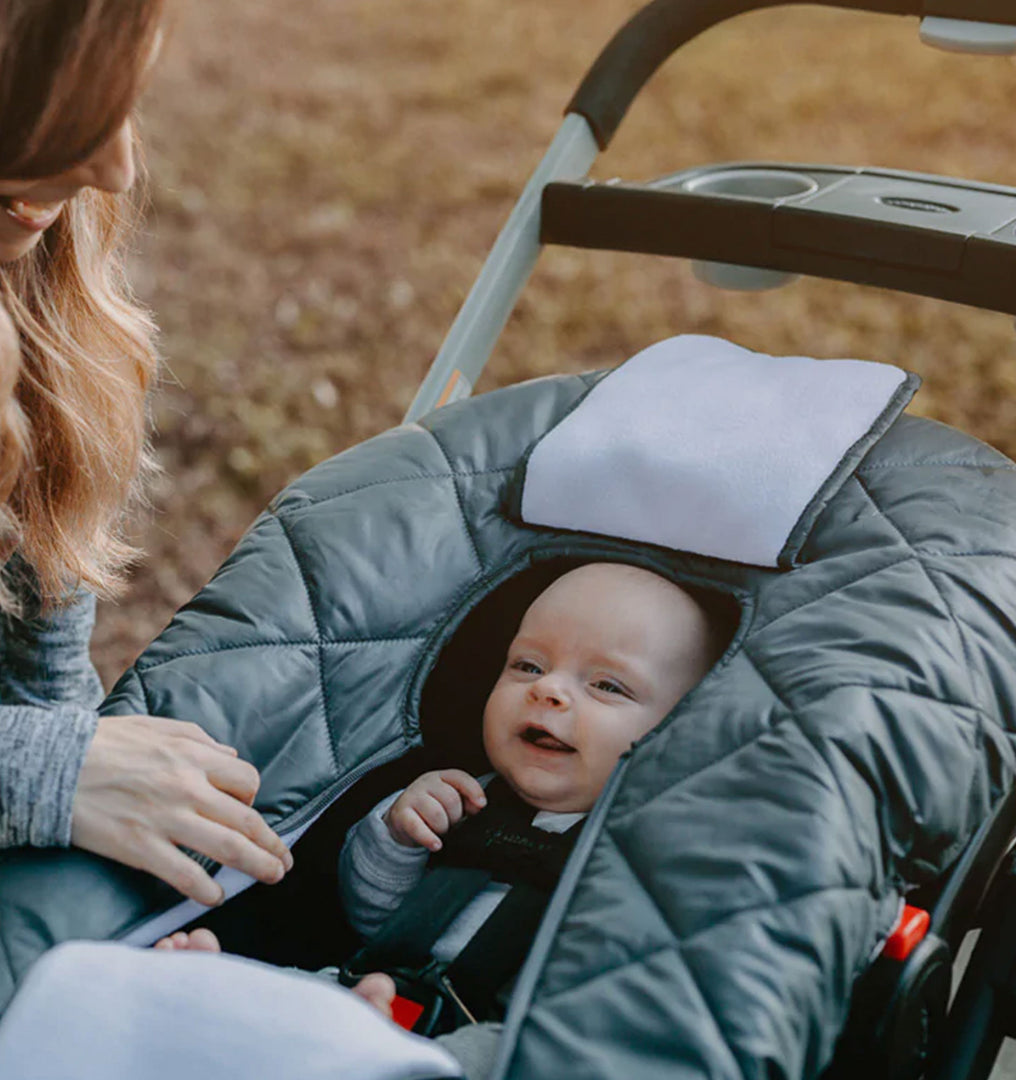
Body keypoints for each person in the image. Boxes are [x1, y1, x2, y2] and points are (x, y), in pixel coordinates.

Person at [156, 562, 722, 1078]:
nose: (548, 689)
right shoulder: (469, 798)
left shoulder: (652, 851)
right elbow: (375, 922)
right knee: (298, 994)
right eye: (528, 665)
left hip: (492, 1038)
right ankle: (212, 998)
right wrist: (397, 836)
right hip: (373, 990)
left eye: (606, 685)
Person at [0, 1, 290, 907]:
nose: (116, 169)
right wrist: (47, 770)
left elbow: (40, 675)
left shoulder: (38, 306)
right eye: (50, 102)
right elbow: (53, 749)